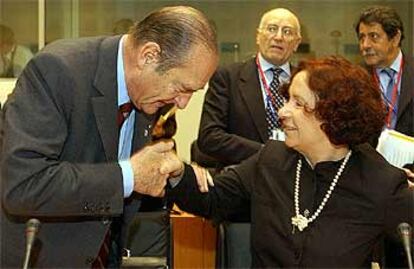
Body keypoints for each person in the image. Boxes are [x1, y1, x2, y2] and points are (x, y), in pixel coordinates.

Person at [0, 6, 217, 268]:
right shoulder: (57, 70)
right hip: (41, 258)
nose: (182, 103)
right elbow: (24, 183)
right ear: (149, 55)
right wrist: (129, 176)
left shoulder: (151, 93)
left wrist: (172, 171)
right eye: (182, 88)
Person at [168, 56, 413, 268]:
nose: (282, 112)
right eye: (287, 100)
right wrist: (178, 172)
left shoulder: (381, 183)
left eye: (298, 103)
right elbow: (213, 198)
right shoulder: (271, 160)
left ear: (332, 114)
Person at [195, 8, 301, 170]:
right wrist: (267, 153)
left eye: (287, 31)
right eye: (272, 29)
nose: (279, 37)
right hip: (244, 178)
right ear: (258, 36)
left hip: (293, 178)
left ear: (296, 43)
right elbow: (209, 137)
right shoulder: (228, 77)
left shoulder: (306, 82)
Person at [355, 6, 414, 267]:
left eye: (373, 36)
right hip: (368, 189)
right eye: (361, 37)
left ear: (396, 37)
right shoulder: (353, 81)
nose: (365, 45)